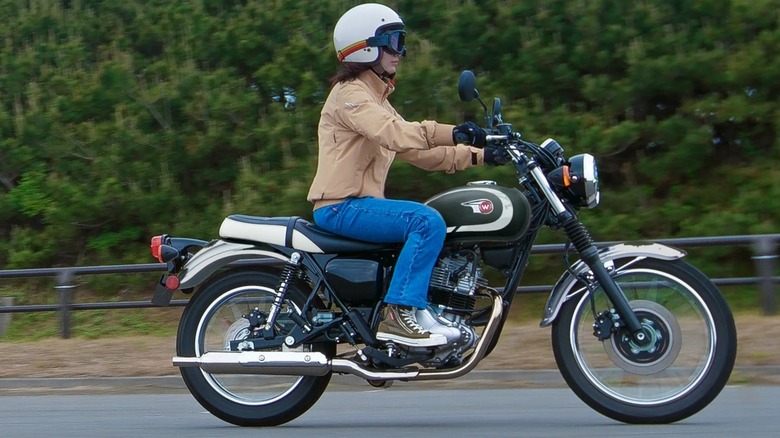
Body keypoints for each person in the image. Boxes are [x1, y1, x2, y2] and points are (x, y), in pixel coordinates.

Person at [307, 3, 510, 348]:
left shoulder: (376, 97)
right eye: (393, 41)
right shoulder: (351, 95)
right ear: (365, 46)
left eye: (401, 41)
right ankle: (399, 315)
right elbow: (396, 134)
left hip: (360, 205)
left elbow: (421, 153)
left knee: (435, 223)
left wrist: (482, 155)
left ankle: (421, 311)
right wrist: (455, 131)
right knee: (425, 222)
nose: (401, 51)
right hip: (341, 206)